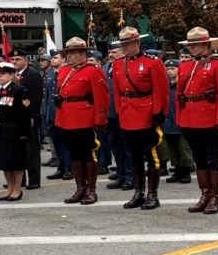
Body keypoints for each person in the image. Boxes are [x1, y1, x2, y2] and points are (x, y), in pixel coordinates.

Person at [176, 27, 218, 215]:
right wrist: (180, 118)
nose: (191, 48)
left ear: (205, 45)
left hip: (209, 117)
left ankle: (215, 197)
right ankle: (205, 195)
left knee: (213, 158)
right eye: (189, 45)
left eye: (195, 44)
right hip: (190, 117)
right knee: (199, 158)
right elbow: (179, 95)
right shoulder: (184, 66)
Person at [112, 26, 168, 210]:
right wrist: (120, 112)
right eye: (122, 44)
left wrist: (159, 113)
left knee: (151, 155)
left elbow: (161, 90)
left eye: (127, 44)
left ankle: (152, 194)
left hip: (146, 113)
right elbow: (118, 92)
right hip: (128, 113)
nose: (124, 47)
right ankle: (138, 193)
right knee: (133, 155)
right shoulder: (119, 63)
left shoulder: (153, 62)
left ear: (137, 43)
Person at [56, 38, 109, 205]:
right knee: (74, 154)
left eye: (72, 53)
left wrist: (100, 120)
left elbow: (102, 97)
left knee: (88, 154)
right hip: (66, 117)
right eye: (67, 53)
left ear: (82, 53)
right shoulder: (64, 71)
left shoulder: (93, 71)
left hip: (85, 118)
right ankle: (80, 189)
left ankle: (91, 190)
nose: (68, 56)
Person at [0, 62, 33, 201]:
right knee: (4, 162)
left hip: (13, 132)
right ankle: (9, 188)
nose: (0, 76)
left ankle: (17, 188)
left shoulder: (19, 90)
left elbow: (24, 114)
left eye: (3, 74)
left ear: (11, 75)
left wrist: (23, 133)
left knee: (16, 162)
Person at [11, 48, 44, 190]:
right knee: (16, 150)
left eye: (18, 59)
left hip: (27, 117)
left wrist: (32, 116)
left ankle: (34, 179)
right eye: (12, 60)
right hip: (14, 118)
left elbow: (36, 98)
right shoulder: (10, 75)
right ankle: (19, 180)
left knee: (31, 150)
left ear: (26, 61)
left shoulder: (33, 75)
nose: (15, 62)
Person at [104, 41, 134, 192]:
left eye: (114, 52)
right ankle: (121, 174)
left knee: (128, 147)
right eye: (109, 52)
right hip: (110, 114)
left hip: (124, 113)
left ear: (123, 51)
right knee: (116, 147)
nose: (110, 55)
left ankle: (130, 176)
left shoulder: (127, 65)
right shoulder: (105, 68)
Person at [161, 59, 193, 184]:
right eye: (167, 69)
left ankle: (186, 171)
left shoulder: (184, 84)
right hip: (168, 120)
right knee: (172, 148)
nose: (169, 71)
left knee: (183, 148)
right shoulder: (166, 85)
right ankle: (177, 170)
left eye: (172, 69)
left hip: (181, 120)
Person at [44, 51, 73, 181]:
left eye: (55, 58)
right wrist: (46, 112)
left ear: (64, 59)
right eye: (52, 58)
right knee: (57, 143)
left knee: (66, 143)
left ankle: (68, 168)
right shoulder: (50, 74)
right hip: (52, 113)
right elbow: (48, 96)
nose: (52, 60)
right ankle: (61, 167)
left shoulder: (69, 72)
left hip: (64, 113)